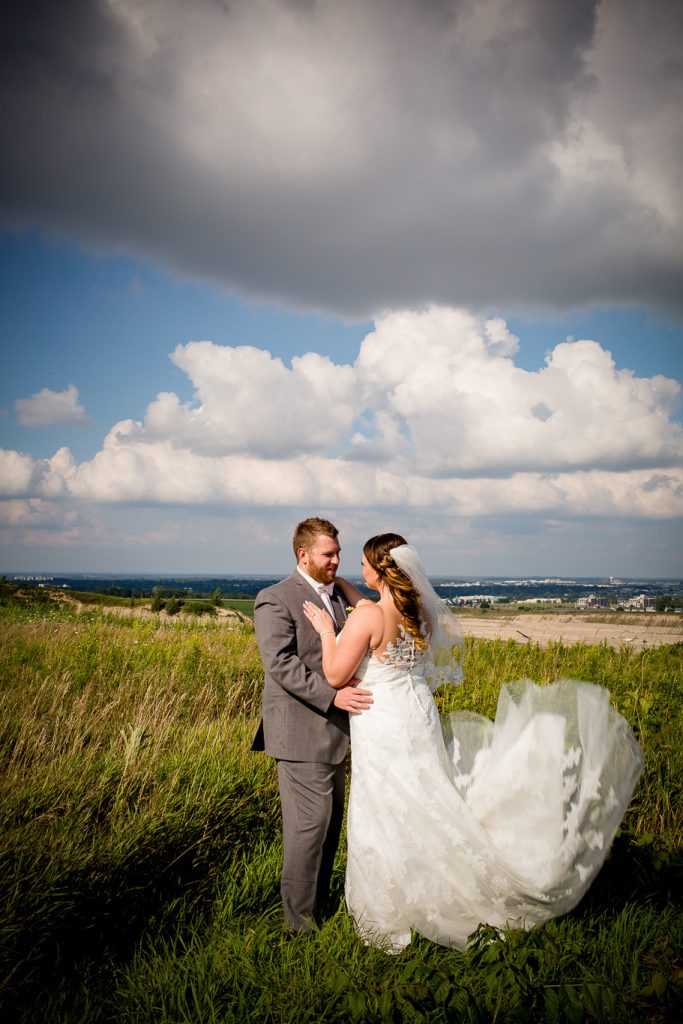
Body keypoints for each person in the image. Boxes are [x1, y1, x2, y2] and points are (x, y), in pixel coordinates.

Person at [303, 532, 644, 952]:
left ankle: (394, 908)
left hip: (383, 720)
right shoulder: (419, 612)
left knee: (385, 804)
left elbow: (336, 674)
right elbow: (370, 605)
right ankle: (432, 886)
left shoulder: (367, 617)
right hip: (416, 715)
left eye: (362, 564)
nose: (357, 570)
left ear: (379, 570)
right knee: (425, 797)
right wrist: (345, 590)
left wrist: (324, 630)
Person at [252, 517, 373, 934]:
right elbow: (279, 663)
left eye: (339, 553)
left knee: (329, 828)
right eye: (329, 554)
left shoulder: (338, 596)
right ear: (303, 554)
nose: (337, 561)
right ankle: (298, 927)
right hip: (300, 732)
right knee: (308, 830)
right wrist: (332, 696)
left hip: (337, 733)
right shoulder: (275, 599)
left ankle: (317, 910)